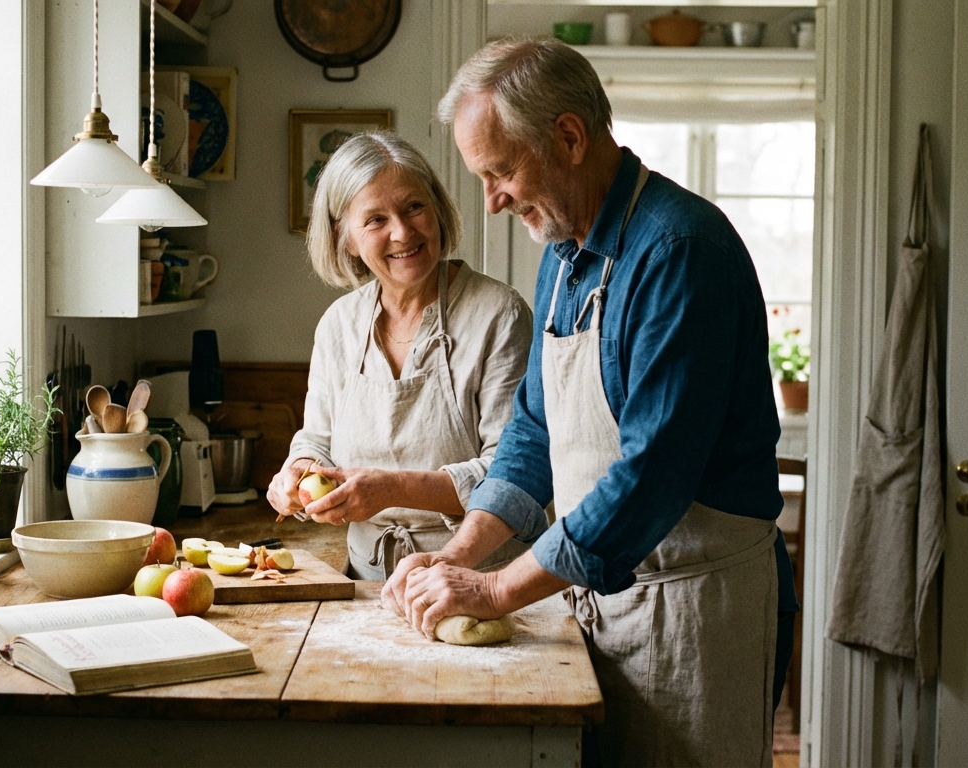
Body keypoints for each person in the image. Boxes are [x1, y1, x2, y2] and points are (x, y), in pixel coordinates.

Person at [381, 39, 799, 767]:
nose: (492, 200)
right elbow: (534, 435)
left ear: (569, 137)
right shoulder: (565, 256)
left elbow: (652, 476)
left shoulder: (680, 251)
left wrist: (497, 589)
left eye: (501, 170)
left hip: (693, 612)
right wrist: (453, 557)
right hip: (602, 602)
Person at [267, 131, 533, 581]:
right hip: (364, 580)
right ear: (347, 239)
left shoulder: (498, 315)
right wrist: (298, 472)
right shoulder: (339, 325)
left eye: (414, 207)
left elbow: (509, 473)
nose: (403, 232)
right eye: (375, 219)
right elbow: (317, 439)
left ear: (438, 211)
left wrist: (392, 488)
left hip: (477, 579)